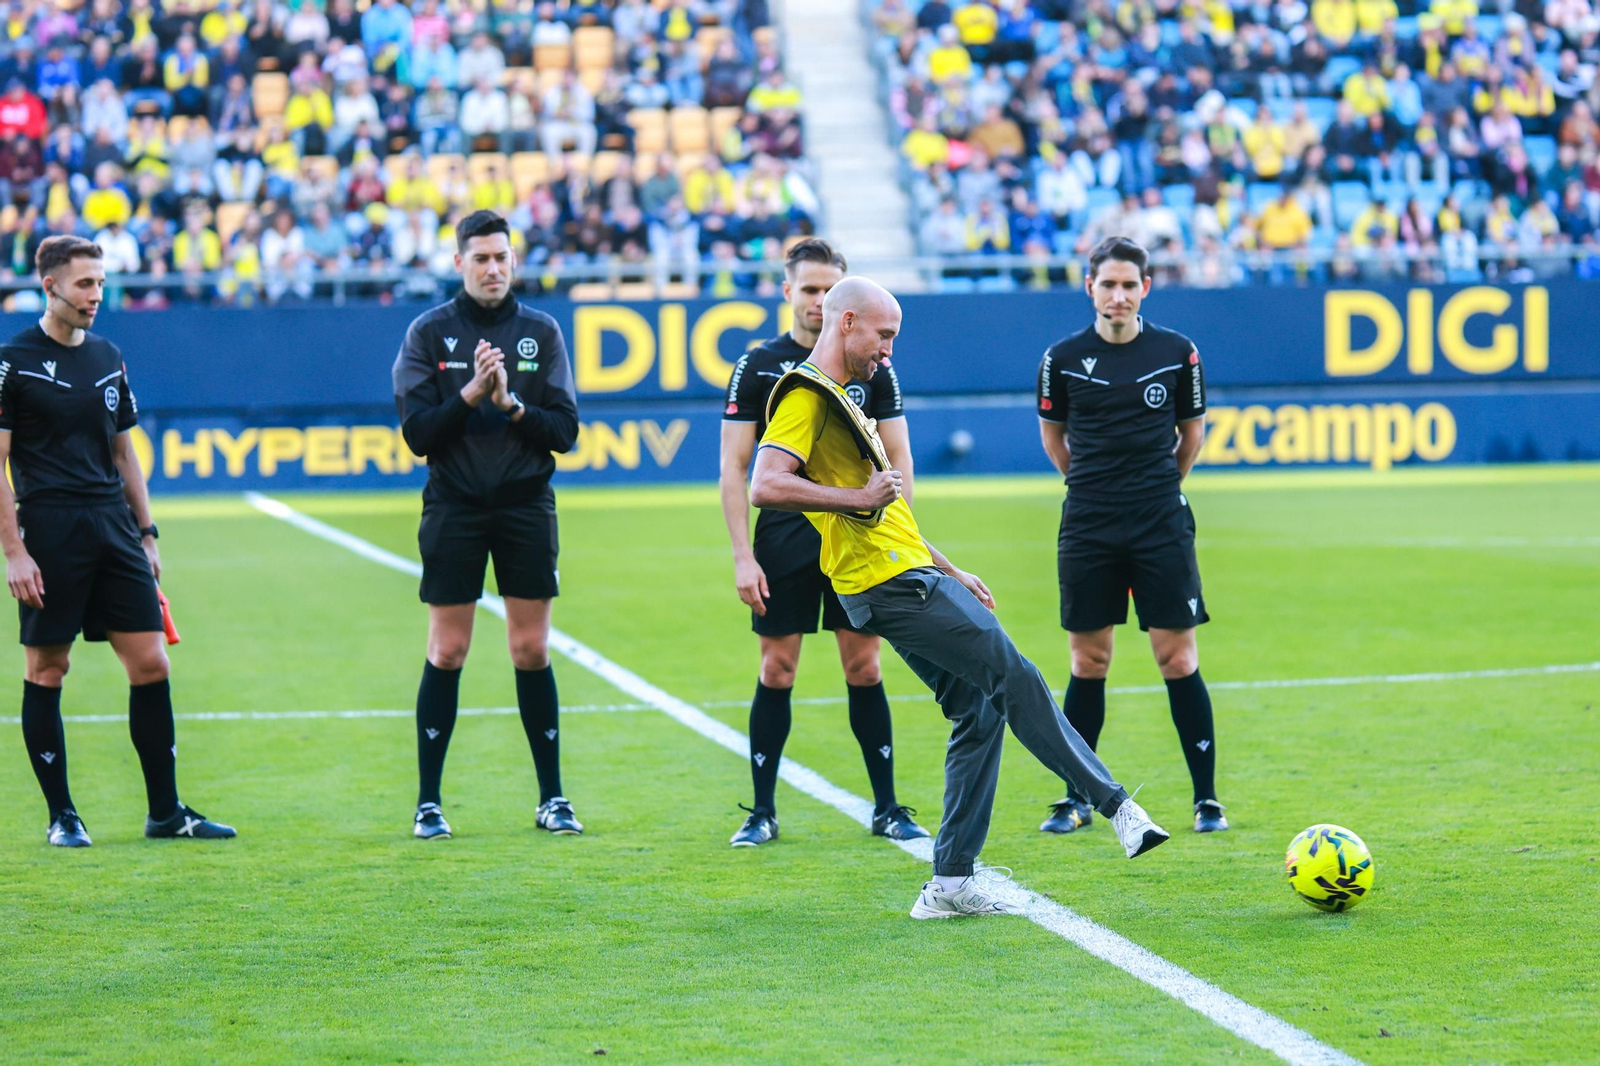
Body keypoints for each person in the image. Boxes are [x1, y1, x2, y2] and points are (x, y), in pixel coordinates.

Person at [751, 276, 1169, 919]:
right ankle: (1116, 806)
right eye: (883, 334)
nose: (889, 349)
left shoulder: (839, 395)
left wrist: (948, 567)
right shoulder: (805, 395)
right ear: (847, 322)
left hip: (906, 573)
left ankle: (948, 884)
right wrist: (858, 499)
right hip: (888, 584)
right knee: (1015, 676)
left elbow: (888, 515)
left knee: (978, 710)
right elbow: (766, 484)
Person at [1, 235, 233, 847]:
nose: (96, 295)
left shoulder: (108, 354)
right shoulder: (12, 361)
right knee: (49, 667)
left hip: (113, 526)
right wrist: (15, 551)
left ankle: (166, 813)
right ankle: (63, 816)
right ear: (49, 286)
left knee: (152, 662)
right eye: (84, 284)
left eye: (101, 283)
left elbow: (126, 453)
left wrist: (147, 532)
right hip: (49, 527)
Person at [719, 239, 928, 848]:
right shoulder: (761, 367)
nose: (816, 301)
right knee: (777, 667)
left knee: (864, 665)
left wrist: (897, 540)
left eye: (826, 290)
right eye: (807, 289)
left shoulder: (874, 365)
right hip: (784, 536)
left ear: (845, 302)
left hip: (857, 538)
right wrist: (741, 553)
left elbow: (899, 459)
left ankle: (887, 805)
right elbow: (737, 467)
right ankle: (761, 810)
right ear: (789, 292)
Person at [391, 210, 581, 841]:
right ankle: (428, 802)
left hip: (527, 505)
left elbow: (565, 433)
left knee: (530, 649)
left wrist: (510, 404)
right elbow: (418, 435)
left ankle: (552, 798)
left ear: (513, 260)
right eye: (481, 259)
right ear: (459, 264)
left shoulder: (541, 331)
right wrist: (471, 393)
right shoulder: (429, 331)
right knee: (448, 648)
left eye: (502, 257)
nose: (494, 268)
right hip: (454, 507)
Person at [1035, 237, 1227, 837]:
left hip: (1159, 523)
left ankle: (1206, 800)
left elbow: (1190, 437)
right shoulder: (1061, 357)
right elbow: (1054, 441)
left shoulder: (1177, 353)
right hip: (1089, 524)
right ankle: (1075, 797)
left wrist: (1157, 489)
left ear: (1145, 287)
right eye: (1107, 284)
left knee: (1177, 657)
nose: (1117, 295)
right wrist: (1096, 489)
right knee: (1088, 660)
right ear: (1088, 286)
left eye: (1128, 284)